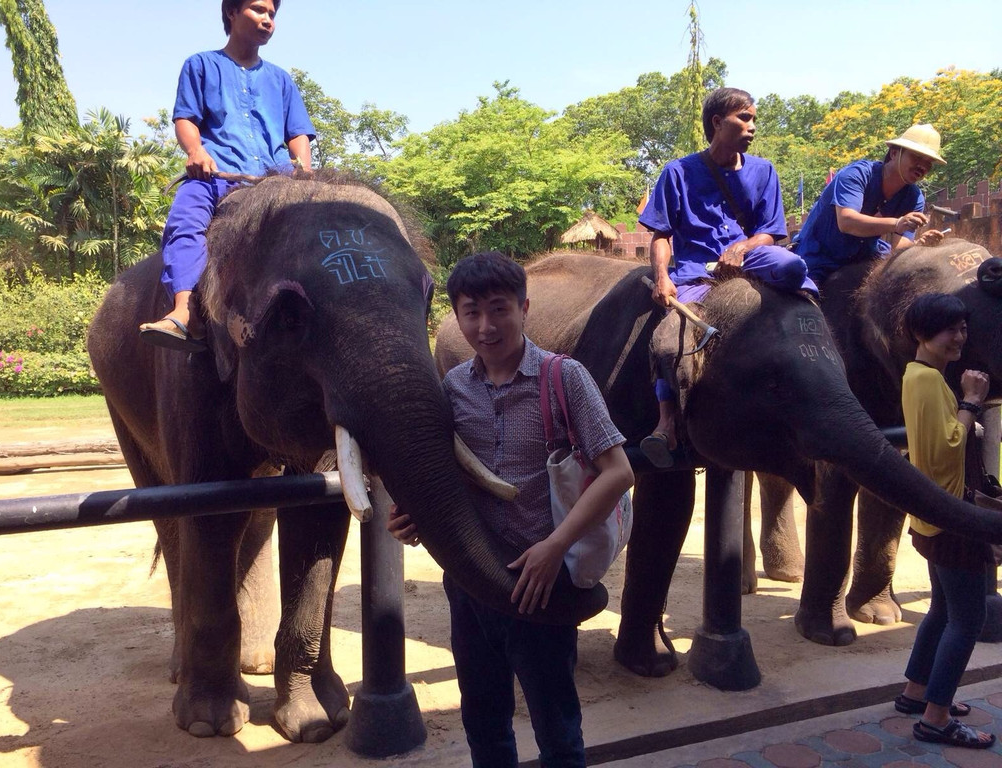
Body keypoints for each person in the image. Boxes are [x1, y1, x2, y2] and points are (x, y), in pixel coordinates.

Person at [388, 251, 634, 767]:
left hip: (540, 582)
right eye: (471, 312)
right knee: (483, 721)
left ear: (524, 307)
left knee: (556, 726)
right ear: (455, 316)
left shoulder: (563, 379)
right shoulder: (453, 388)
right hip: (472, 579)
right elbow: (446, 479)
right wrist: (414, 519)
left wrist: (554, 546)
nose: (485, 326)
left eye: (499, 309)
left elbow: (618, 472)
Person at [637, 86, 816, 467]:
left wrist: (743, 248)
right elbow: (662, 234)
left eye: (754, 119)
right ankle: (666, 420)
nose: (752, 127)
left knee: (793, 267)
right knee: (671, 342)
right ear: (718, 122)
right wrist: (662, 277)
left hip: (748, 258)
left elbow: (770, 231)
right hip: (694, 272)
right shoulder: (677, 173)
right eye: (745, 118)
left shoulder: (763, 171)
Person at [138, 0, 314, 351]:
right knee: (185, 222)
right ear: (232, 12)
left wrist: (305, 170)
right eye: (259, 10)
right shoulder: (200, 65)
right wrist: (195, 151)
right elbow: (185, 119)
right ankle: (183, 312)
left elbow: (298, 134)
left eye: (272, 14)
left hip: (275, 181)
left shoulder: (281, 80)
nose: (268, 19)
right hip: (215, 174)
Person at [895, 292, 995, 749]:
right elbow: (944, 449)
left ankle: (917, 692)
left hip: (932, 515)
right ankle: (936, 718)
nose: (959, 337)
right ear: (921, 334)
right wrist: (972, 402)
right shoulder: (930, 382)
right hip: (954, 517)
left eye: (963, 328)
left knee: (941, 609)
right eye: (949, 329)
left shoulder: (920, 376)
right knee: (968, 617)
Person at [795, 124, 947, 287]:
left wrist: (918, 245)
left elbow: (898, 246)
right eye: (917, 157)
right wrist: (896, 223)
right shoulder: (856, 175)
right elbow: (847, 222)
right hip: (818, 258)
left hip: (864, 260)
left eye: (929, 162)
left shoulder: (914, 197)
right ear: (895, 153)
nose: (923, 167)